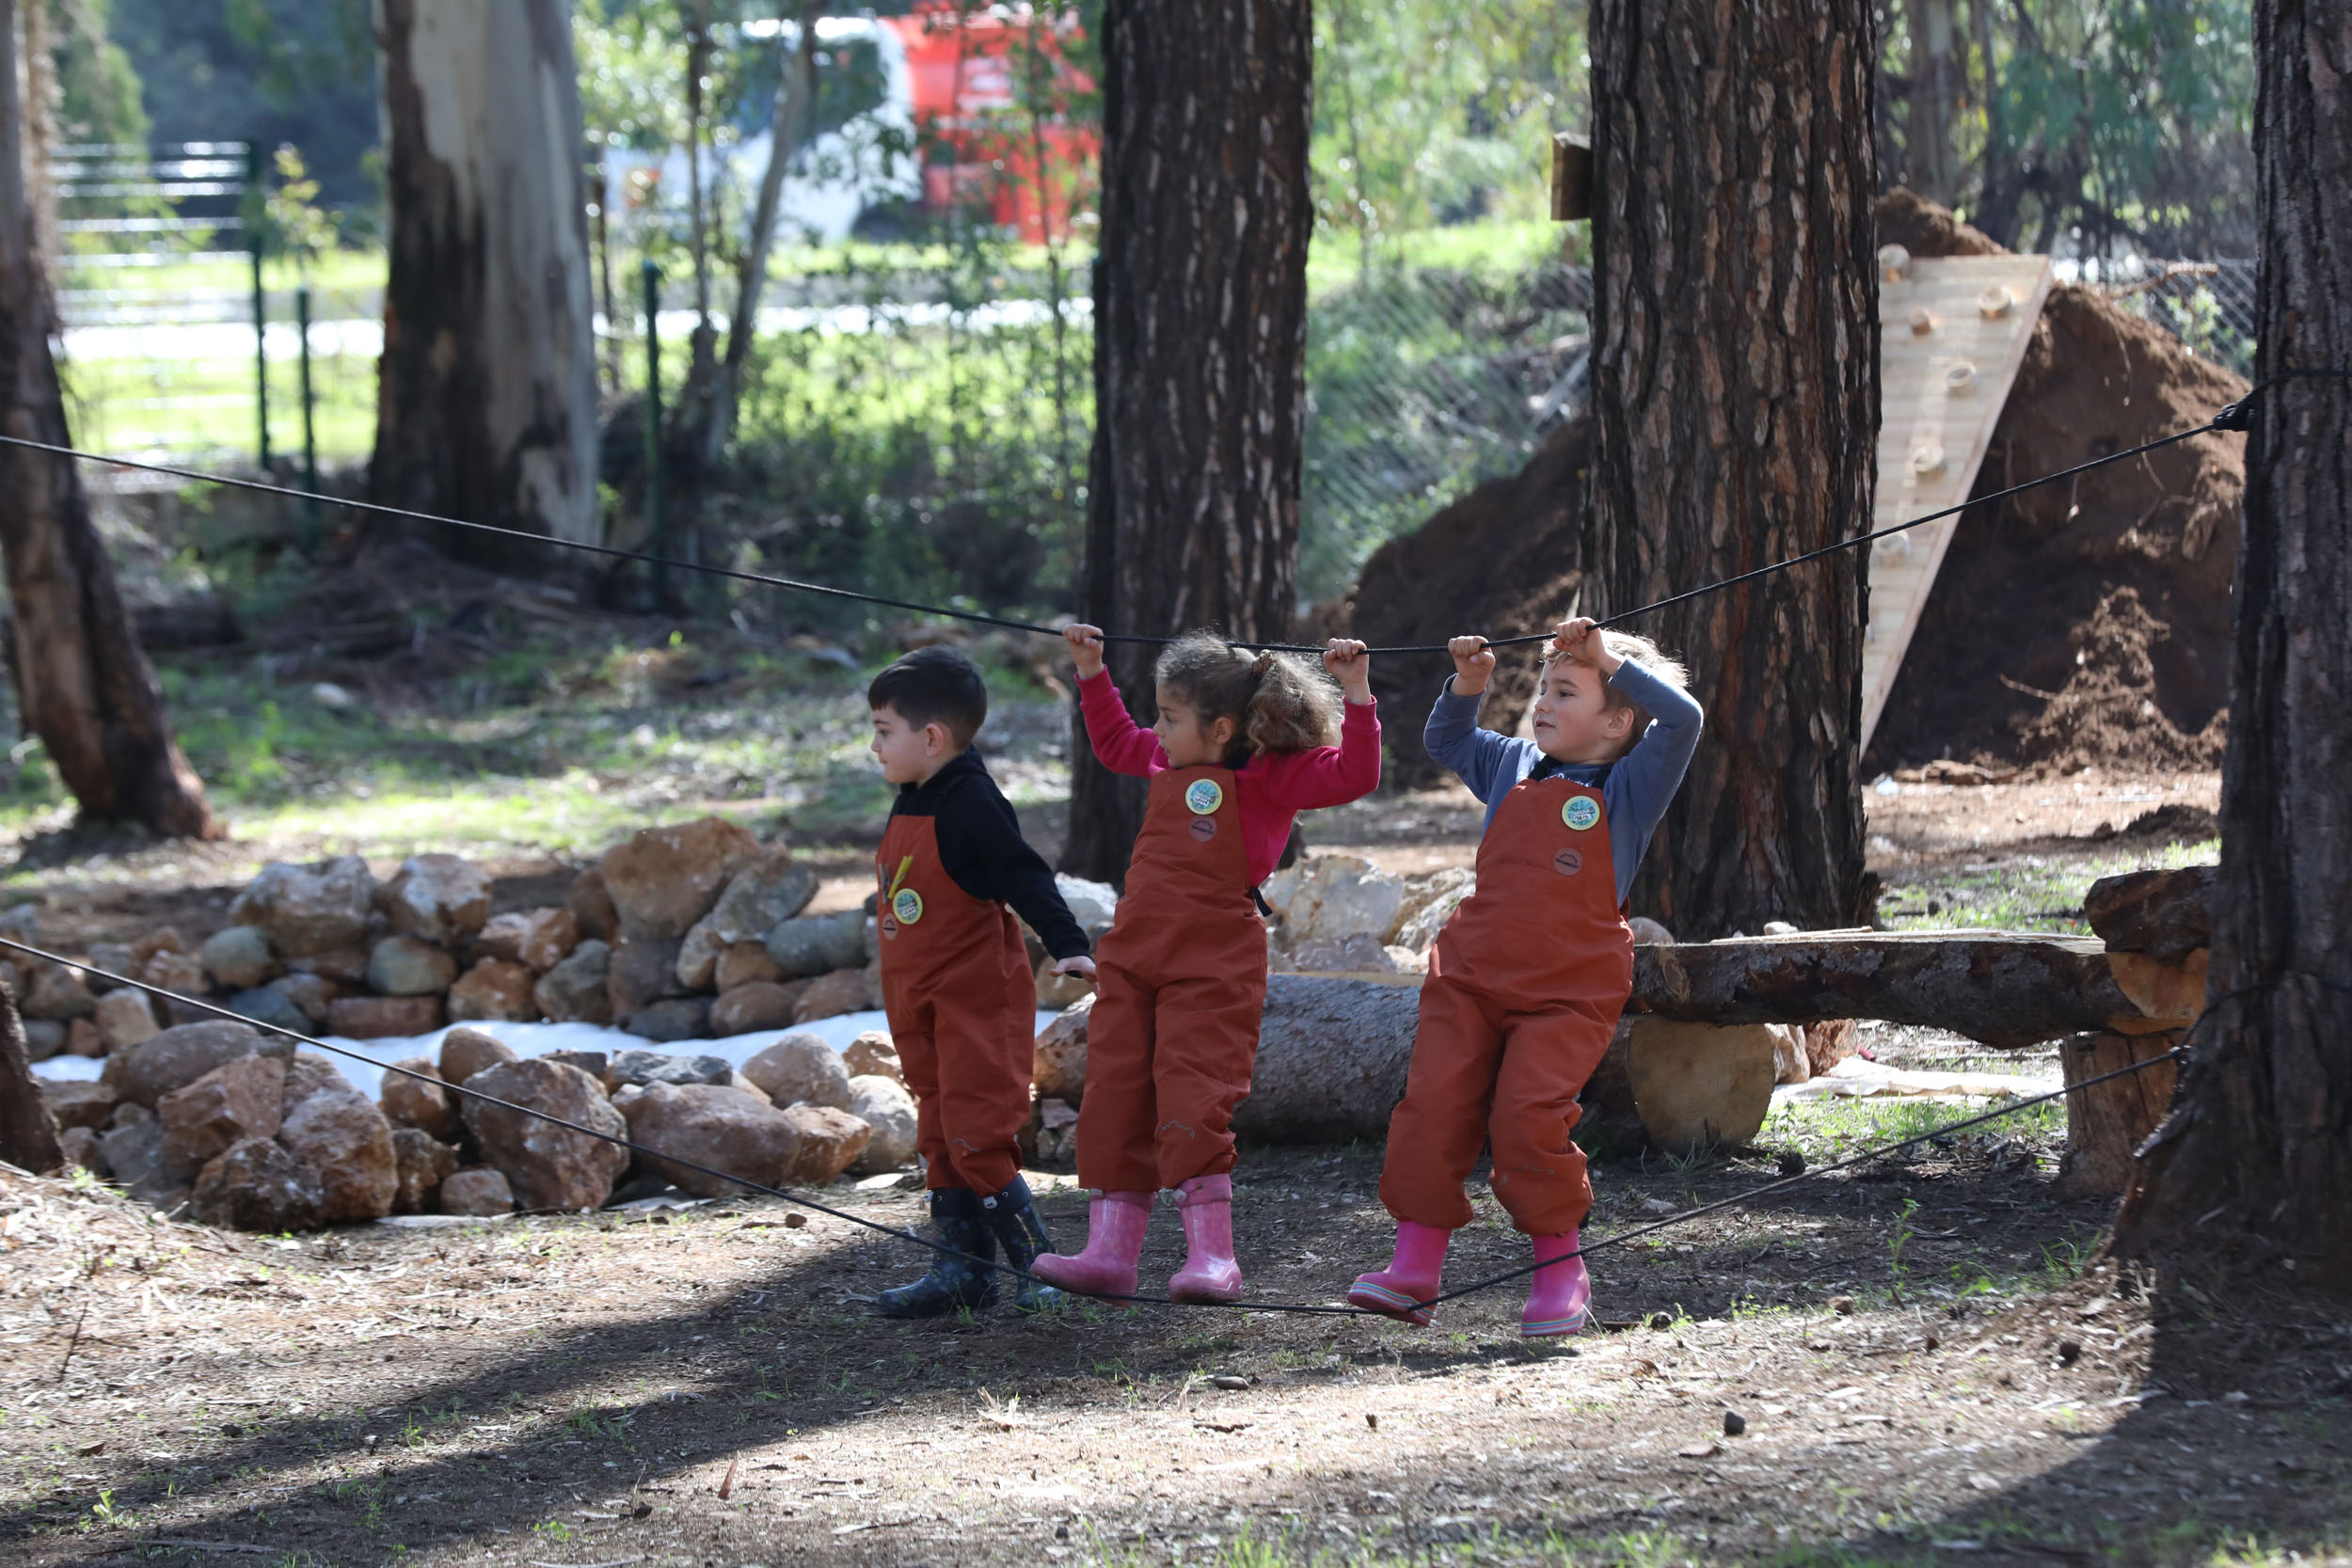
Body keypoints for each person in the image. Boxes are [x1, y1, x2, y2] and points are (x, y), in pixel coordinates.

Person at [1349, 616, 1702, 1337]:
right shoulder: (1511, 762)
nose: (1544, 702)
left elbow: (1685, 717)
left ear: (1618, 721)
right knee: (1432, 1107)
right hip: (1473, 971)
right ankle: (1414, 1267)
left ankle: (1559, 1269)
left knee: (1527, 1119)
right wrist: (1466, 687)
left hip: (1569, 986)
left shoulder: (1632, 785)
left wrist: (1608, 655)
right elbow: (1446, 740)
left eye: (1567, 690)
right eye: (1544, 686)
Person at [1030, 627, 1380, 1304]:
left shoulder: (1270, 775)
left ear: (1220, 728)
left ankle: (1213, 1257)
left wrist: (1358, 694)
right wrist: (1091, 673)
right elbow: (1111, 741)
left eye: (1169, 717)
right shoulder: (1163, 763)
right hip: (1134, 954)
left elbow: (1354, 774)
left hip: (1214, 960)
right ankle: (1110, 1254)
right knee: (1114, 1094)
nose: (1155, 730)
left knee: (1194, 1095)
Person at [866, 644, 1096, 1317]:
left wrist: (1068, 943)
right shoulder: (913, 794)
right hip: (918, 1000)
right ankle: (962, 1270)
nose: (874, 745)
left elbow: (1025, 876)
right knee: (938, 1131)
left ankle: (1040, 1265)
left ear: (931, 737)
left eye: (884, 730)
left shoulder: (971, 801)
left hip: (973, 1000)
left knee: (974, 1131)